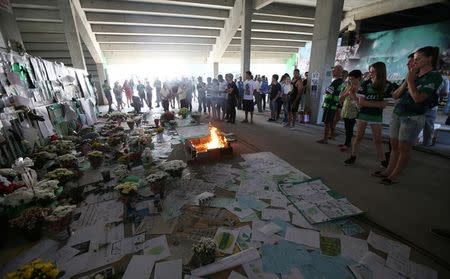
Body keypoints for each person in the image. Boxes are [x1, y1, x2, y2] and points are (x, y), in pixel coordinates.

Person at [377, 46, 442, 184]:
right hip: (398, 113)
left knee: (403, 148)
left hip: (413, 116)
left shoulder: (434, 76)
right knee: (394, 145)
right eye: (414, 59)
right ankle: (388, 170)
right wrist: (408, 80)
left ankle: (394, 176)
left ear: (429, 58)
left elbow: (418, 98)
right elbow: (395, 95)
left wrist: (411, 81)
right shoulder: (413, 74)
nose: (415, 61)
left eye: (419, 59)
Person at [344, 62, 393, 167]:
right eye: (370, 71)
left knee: (378, 140)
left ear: (380, 71)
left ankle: (383, 161)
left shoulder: (387, 85)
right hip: (363, 115)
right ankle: (353, 156)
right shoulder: (366, 84)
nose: (371, 74)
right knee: (358, 137)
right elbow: (362, 102)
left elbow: (384, 104)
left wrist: (368, 103)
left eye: (373, 72)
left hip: (376, 116)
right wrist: (376, 104)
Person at [317, 66, 344, 143]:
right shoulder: (340, 81)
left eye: (334, 70)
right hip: (333, 104)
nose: (332, 72)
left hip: (330, 104)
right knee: (331, 121)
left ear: (339, 71)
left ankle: (325, 139)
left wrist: (326, 90)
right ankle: (332, 135)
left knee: (327, 121)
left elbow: (328, 91)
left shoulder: (336, 82)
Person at [338, 70, 362, 151]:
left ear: (358, 78)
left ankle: (347, 144)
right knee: (347, 126)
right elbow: (342, 96)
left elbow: (358, 99)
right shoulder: (349, 86)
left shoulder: (360, 87)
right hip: (346, 108)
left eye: (352, 78)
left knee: (350, 127)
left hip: (354, 110)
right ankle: (347, 142)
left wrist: (348, 93)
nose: (350, 79)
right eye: (350, 78)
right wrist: (347, 93)